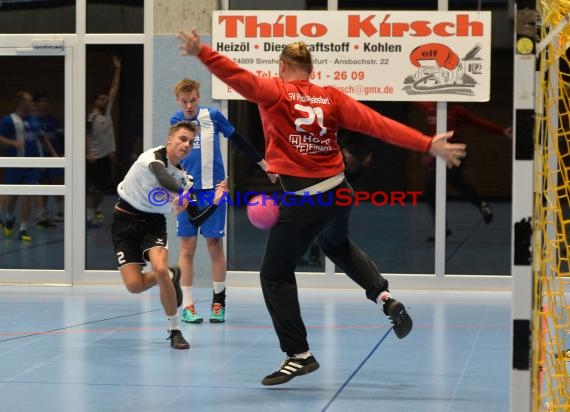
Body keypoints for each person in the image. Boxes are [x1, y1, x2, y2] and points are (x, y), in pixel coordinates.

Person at [177, 30, 466, 385]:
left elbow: (238, 76)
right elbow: (378, 125)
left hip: (305, 199)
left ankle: (298, 355)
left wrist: (202, 51)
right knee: (336, 245)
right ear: (311, 70)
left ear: (282, 67)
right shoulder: (331, 97)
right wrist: (425, 143)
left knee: (274, 274)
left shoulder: (274, 90)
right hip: (340, 191)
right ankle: (385, 297)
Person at [111, 120, 228, 349]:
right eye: (182, 139)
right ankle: (171, 274)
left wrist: (214, 202)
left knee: (160, 268)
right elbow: (162, 177)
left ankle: (174, 330)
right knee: (134, 285)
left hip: (153, 224)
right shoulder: (152, 157)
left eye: (191, 142)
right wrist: (182, 194)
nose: (186, 144)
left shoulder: (185, 179)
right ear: (169, 140)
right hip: (123, 220)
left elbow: (195, 218)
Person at [170, 78, 273, 324]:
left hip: (214, 191)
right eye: (184, 101)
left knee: (215, 246)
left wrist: (263, 164)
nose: (189, 106)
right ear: (178, 101)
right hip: (188, 192)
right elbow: (172, 157)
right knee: (187, 248)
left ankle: (219, 303)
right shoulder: (176, 121)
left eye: (193, 100)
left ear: (199, 96)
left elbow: (238, 139)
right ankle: (188, 305)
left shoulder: (213, 116)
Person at [413, 102, 512, 240]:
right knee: (430, 189)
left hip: (456, 149)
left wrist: (501, 131)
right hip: (438, 151)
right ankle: (442, 228)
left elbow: (478, 122)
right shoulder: (429, 107)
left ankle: (482, 206)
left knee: (453, 179)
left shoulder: (456, 110)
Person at [0, 91, 57, 241]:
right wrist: (12, 142)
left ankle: (23, 228)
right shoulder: (8, 120)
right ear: (21, 102)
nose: (32, 104)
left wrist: (53, 154)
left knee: (28, 194)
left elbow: (43, 138)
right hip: (15, 164)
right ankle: (9, 217)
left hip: (31, 164)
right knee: (13, 196)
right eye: (29, 101)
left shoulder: (34, 120)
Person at [86, 55, 121, 228]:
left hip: (106, 157)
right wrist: (88, 152)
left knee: (100, 189)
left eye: (105, 99)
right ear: (94, 102)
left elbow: (113, 91)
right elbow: (84, 135)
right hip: (95, 158)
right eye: (101, 99)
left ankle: (95, 212)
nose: (105, 100)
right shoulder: (91, 117)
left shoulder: (106, 114)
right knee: (92, 190)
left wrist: (117, 70)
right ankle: (89, 216)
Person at [34, 92, 65, 226]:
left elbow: (62, 138)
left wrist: (62, 153)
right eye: (43, 101)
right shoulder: (33, 121)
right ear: (36, 104)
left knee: (58, 182)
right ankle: (42, 214)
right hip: (41, 157)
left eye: (48, 101)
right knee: (43, 184)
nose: (46, 104)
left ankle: (60, 212)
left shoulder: (54, 120)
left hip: (56, 156)